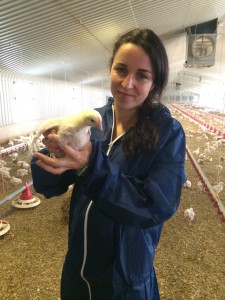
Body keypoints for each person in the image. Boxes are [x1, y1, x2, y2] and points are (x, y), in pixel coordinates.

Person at [31, 28, 187, 300]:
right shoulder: (93, 121)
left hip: (125, 280)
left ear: (155, 83)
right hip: (78, 269)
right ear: (110, 69)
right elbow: (47, 185)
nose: (127, 83)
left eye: (142, 75)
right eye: (121, 69)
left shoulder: (168, 133)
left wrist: (91, 165)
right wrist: (55, 156)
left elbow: (155, 206)